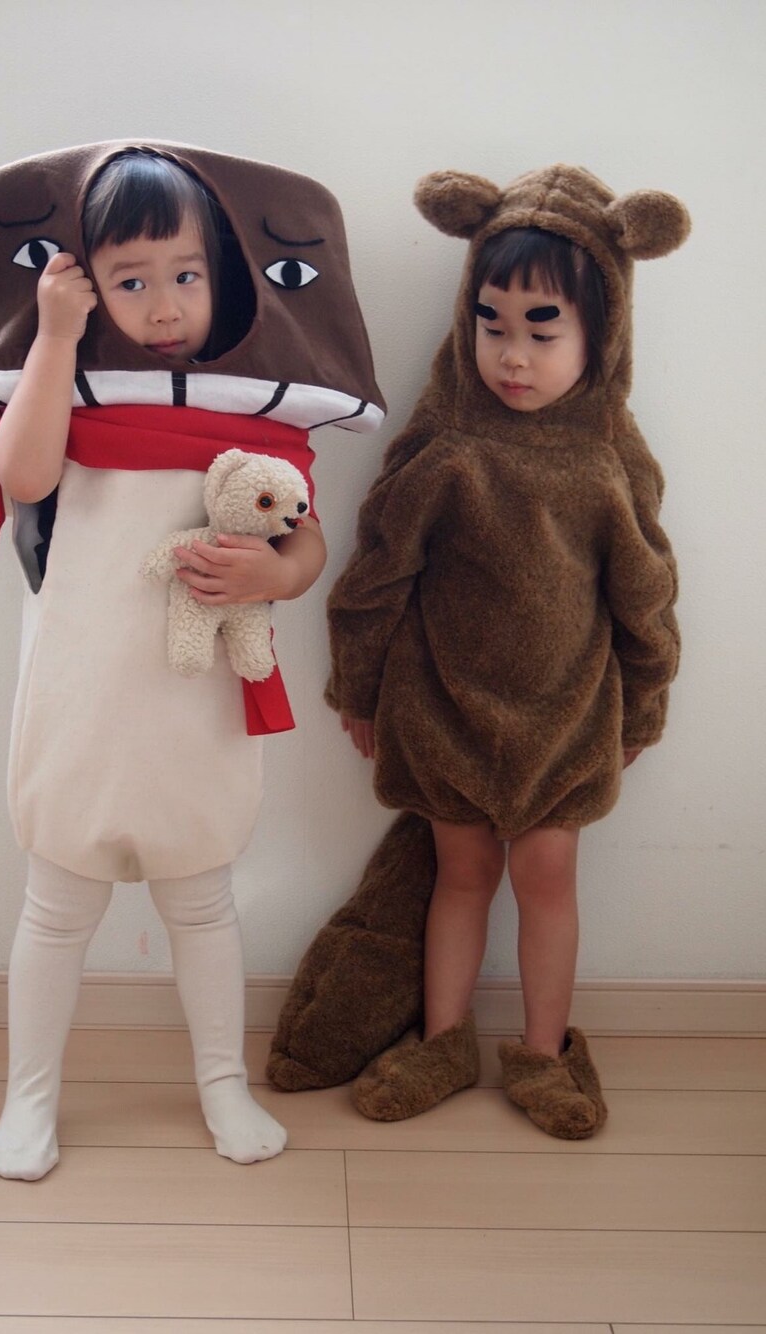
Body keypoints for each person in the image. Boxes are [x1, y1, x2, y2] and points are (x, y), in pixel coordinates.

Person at [324, 165, 688, 1139]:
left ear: (601, 333)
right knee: (461, 873)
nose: (512, 356)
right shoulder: (445, 446)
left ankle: (543, 1049)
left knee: (547, 880)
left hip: (565, 719)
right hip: (443, 709)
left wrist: (645, 704)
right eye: (492, 325)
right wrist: (357, 686)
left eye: (542, 330)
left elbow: (647, 594)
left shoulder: (608, 460)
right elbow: (376, 572)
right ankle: (443, 1040)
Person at [0, 151, 325, 1179]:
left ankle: (223, 1082)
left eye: (185, 274)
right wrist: (54, 337)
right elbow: (21, 472)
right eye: (130, 280)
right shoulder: (74, 392)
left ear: (222, 272)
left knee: (202, 902)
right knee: (56, 908)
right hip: (83, 696)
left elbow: (304, 537)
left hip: (194, 704)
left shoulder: (258, 408)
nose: (164, 305)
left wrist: (273, 572)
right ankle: (28, 1097)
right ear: (89, 282)